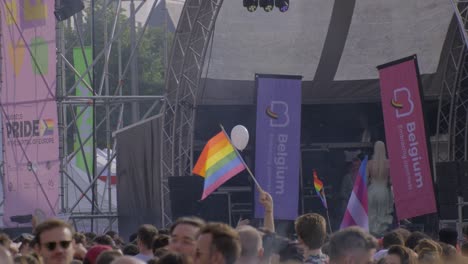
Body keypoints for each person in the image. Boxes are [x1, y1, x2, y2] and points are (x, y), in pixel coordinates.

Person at [367, 141, 394, 236]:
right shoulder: (389, 163)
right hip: (384, 192)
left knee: (372, 216)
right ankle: (381, 237)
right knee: (382, 217)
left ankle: (372, 236)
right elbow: (391, 181)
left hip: (372, 192)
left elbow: (365, 181)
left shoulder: (369, 164)